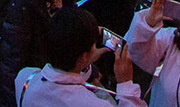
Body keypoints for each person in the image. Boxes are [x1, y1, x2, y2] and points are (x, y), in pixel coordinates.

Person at [14, 6, 143, 107]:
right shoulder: (92, 104)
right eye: (93, 45)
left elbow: (62, 78)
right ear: (83, 56)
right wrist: (126, 84)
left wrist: (84, 64)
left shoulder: (25, 77)